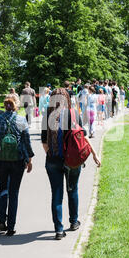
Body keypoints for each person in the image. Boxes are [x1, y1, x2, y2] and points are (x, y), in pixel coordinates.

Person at [41, 88, 101, 240]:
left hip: (53, 159)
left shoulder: (47, 115)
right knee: (72, 189)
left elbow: (44, 142)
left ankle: (59, 230)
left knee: (56, 193)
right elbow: (81, 137)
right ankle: (74, 222)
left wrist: (52, 153)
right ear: (67, 99)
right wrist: (93, 154)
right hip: (72, 159)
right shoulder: (74, 113)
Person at [0, 96, 34, 236]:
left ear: (5, 105)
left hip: (0, 160)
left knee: (3, 189)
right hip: (17, 160)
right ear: (16, 105)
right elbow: (26, 142)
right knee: (14, 193)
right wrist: (29, 159)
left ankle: (2, 219)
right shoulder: (21, 120)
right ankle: (11, 226)